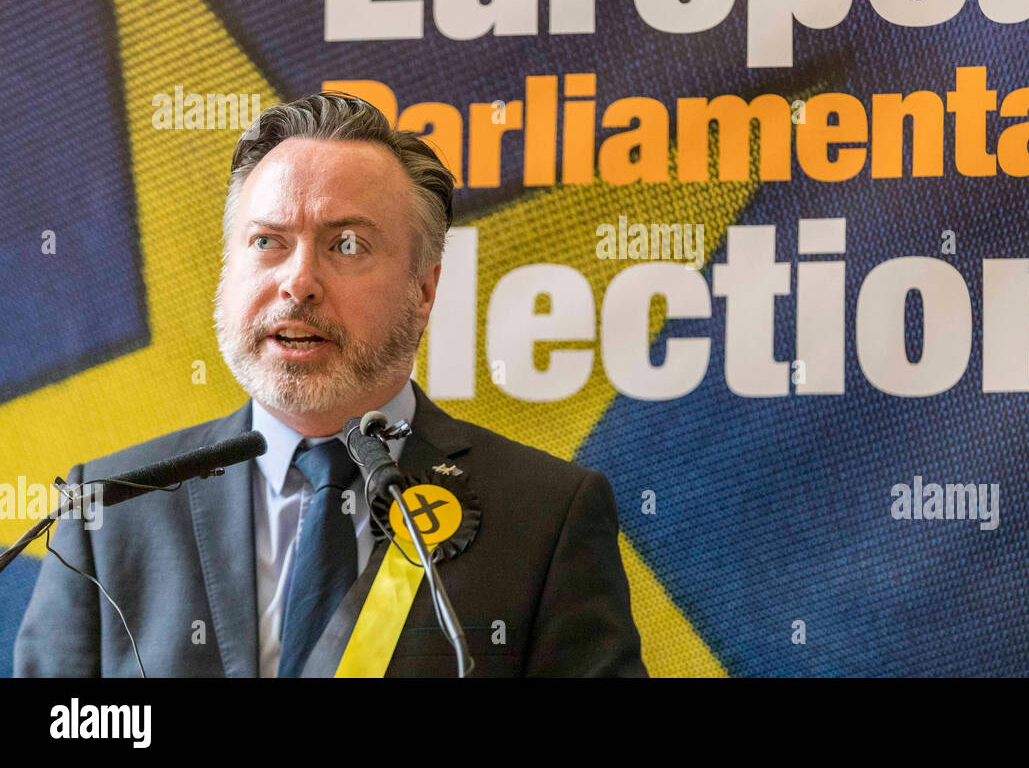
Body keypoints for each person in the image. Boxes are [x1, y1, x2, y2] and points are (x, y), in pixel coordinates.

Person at [15, 92, 648, 677]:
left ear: (424, 290)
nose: (298, 281)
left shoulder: (546, 516)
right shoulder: (107, 509)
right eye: (267, 241)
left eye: (346, 244)